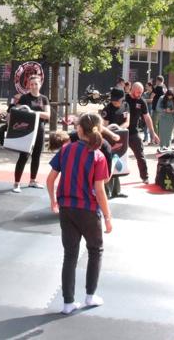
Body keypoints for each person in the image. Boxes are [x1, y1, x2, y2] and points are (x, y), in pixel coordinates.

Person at [46, 112, 112, 315]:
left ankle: (68, 303)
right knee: (95, 250)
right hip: (88, 210)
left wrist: (53, 201)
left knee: (70, 255)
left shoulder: (66, 150)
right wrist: (108, 217)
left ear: (80, 129)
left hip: (66, 208)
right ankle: (90, 296)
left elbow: (50, 179)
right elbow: (100, 190)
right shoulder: (97, 155)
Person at [12, 75, 50, 193]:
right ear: (29, 85)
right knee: (23, 156)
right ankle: (16, 183)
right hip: (27, 130)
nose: (33, 86)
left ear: (40, 85)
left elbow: (48, 115)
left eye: (36, 84)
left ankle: (32, 180)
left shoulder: (44, 98)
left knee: (36, 156)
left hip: (40, 129)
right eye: (31, 84)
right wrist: (37, 113)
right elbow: (18, 112)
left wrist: (32, 112)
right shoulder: (24, 98)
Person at [125, 82, 159, 184]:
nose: (139, 94)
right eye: (137, 92)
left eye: (141, 92)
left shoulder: (141, 102)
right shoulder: (124, 99)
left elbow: (147, 117)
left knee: (140, 155)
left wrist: (153, 133)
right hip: (121, 132)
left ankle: (145, 177)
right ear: (132, 89)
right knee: (115, 155)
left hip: (133, 133)